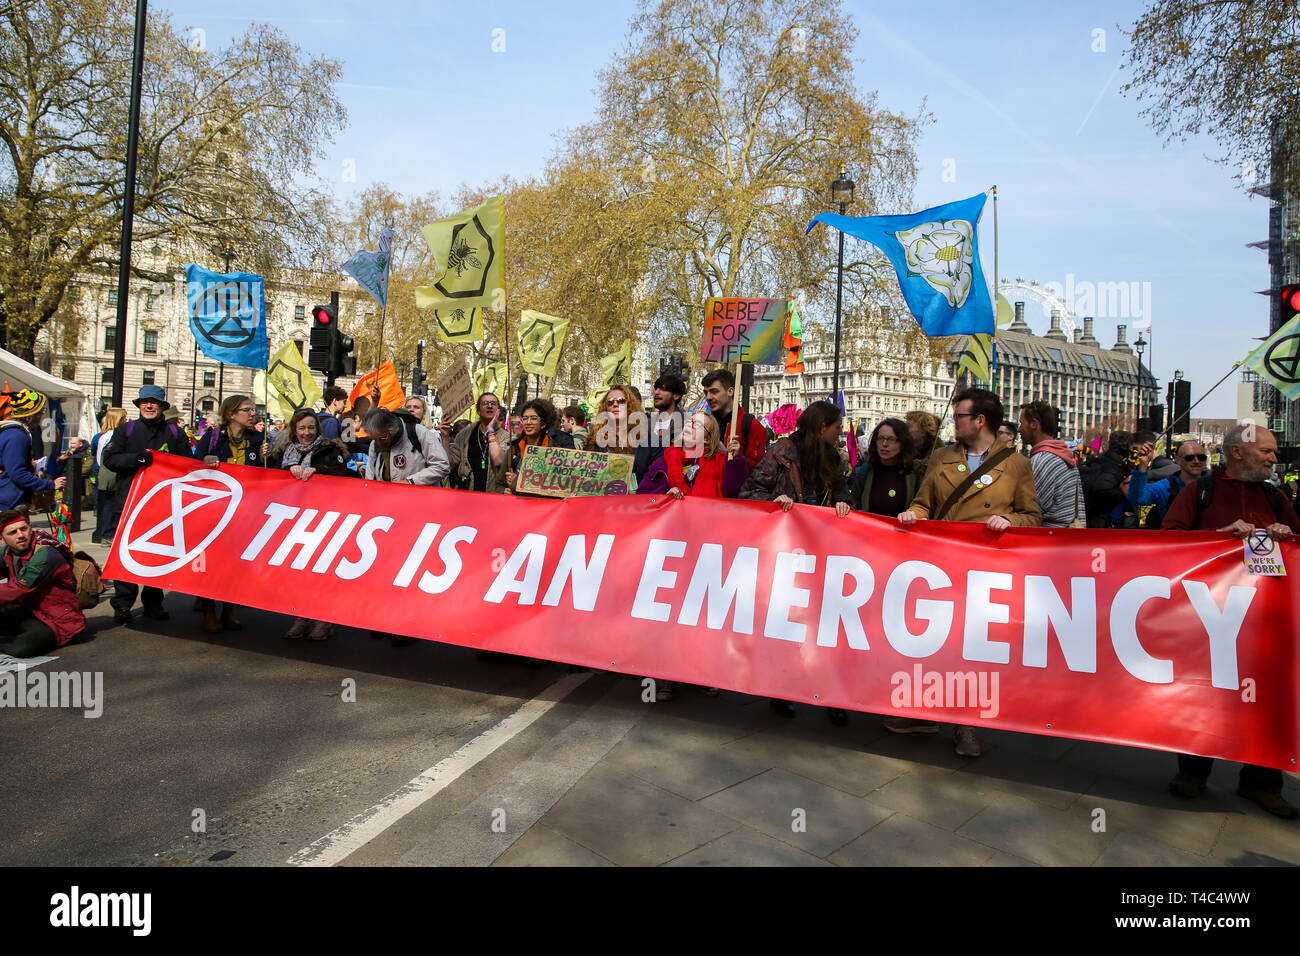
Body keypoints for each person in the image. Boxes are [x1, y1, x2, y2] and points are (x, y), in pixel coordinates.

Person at [1162, 425, 1300, 818]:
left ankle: (1262, 783)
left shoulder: (1275, 495)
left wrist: (1286, 535)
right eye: (1267, 452)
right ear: (1238, 453)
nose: (1275, 459)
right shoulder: (1199, 492)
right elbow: (1168, 541)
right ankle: (1193, 771)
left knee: (1268, 700)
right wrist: (1219, 536)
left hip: (1265, 618)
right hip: (1211, 617)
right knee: (1205, 693)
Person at [895, 387, 1041, 756]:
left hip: (986, 569)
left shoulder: (1016, 464)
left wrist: (1008, 519)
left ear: (980, 421)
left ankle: (968, 725)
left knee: (975, 648)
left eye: (959, 415)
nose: (953, 420)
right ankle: (925, 712)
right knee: (936, 640)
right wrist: (916, 515)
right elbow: (924, 502)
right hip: (942, 565)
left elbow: (1032, 515)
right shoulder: (942, 457)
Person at [739, 400, 853, 721]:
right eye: (836, 426)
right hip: (786, 552)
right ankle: (782, 690)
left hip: (822, 551)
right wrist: (775, 501)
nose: (840, 432)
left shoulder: (834, 459)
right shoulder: (781, 452)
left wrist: (844, 503)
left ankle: (831, 696)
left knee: (825, 627)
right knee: (787, 623)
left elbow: (845, 493)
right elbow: (749, 492)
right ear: (821, 427)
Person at [102, 385, 190, 624]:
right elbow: (109, 459)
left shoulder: (175, 433)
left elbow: (188, 465)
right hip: (128, 502)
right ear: (139, 405)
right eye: (144, 402)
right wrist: (136, 460)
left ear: (162, 406)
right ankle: (122, 605)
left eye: (154, 402)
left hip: (163, 506)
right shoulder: (125, 430)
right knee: (124, 555)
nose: (149, 406)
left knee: (157, 557)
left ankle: (153, 604)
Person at [363, 407, 450, 647]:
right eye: (374, 439)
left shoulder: (419, 434)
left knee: (411, 570)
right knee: (386, 569)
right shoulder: (375, 442)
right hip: (388, 515)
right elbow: (371, 474)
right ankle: (385, 620)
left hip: (420, 513)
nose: (378, 443)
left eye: (382, 439)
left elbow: (442, 466)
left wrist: (410, 482)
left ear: (390, 431)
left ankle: (409, 624)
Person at [271, 410, 353, 641]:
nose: (306, 433)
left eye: (310, 428)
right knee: (297, 572)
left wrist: (319, 471)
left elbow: (344, 475)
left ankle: (323, 620)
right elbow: (270, 481)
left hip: (325, 519)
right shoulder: (283, 453)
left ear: (317, 428)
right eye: (301, 429)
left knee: (321, 572)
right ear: (293, 430)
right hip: (293, 521)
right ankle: (300, 616)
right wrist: (287, 471)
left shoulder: (330, 450)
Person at [0, 510, 85, 657]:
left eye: (23, 529)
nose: (20, 535)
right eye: (12, 532)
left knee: (20, 649)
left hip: (57, 621)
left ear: (30, 528)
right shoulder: (7, 551)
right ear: (2, 538)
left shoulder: (44, 553)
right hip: (29, 610)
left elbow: (19, 589)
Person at [1018, 401, 1085, 529]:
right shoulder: (1064, 455)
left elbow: (1032, 508)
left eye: (1022, 423)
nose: (1019, 429)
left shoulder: (1042, 460)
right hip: (1065, 537)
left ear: (1034, 424)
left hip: (1048, 539)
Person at [0, 389, 64, 512]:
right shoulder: (16, 436)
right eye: (40, 412)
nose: (41, 415)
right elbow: (18, 473)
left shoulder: (13, 433)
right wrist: (50, 484)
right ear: (31, 415)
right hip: (10, 501)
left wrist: (30, 465)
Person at [1126, 439, 1208, 529]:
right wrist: (1143, 465)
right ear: (1178, 460)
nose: (1196, 461)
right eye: (1190, 458)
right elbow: (1138, 498)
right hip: (1175, 539)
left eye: (1201, 457)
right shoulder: (1166, 486)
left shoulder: (1214, 483)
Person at [851, 418, 923, 518]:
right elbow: (853, 506)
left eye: (891, 439)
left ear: (902, 443)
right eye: (880, 438)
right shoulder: (864, 472)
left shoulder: (916, 473)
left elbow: (922, 507)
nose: (884, 444)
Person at [441, 393, 509, 493]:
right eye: (485, 403)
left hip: (492, 496)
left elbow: (499, 460)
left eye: (493, 403)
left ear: (498, 411)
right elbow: (450, 464)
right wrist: (445, 438)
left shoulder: (506, 436)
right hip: (466, 495)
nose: (489, 406)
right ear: (478, 411)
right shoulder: (464, 435)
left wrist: (490, 430)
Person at [507, 399, 576, 494]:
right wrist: (505, 491)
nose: (528, 422)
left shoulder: (555, 450)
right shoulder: (515, 448)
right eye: (525, 418)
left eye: (534, 418)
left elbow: (557, 487)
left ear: (543, 424)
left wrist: (515, 483)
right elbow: (499, 482)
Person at [703, 369, 767, 468]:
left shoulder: (752, 426)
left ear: (730, 391)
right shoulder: (704, 423)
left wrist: (732, 457)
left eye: (714, 391)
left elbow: (758, 470)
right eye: (706, 392)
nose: (708, 397)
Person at [634, 372, 687, 481]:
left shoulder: (687, 425)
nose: (656, 392)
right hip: (645, 487)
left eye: (663, 389)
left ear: (676, 395)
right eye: (656, 388)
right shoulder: (644, 423)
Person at [90, 407, 127, 543]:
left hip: (105, 473)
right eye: (123, 418)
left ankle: (107, 533)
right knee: (110, 506)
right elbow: (103, 457)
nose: (126, 421)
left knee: (108, 505)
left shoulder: (103, 436)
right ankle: (107, 534)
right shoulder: (111, 436)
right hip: (111, 474)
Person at [1081, 430, 1133, 528]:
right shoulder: (1114, 467)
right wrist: (1121, 492)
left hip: (1088, 515)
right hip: (1099, 519)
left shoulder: (1100, 460)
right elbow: (1102, 488)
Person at [584, 385, 644, 458]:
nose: (615, 404)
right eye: (610, 402)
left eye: (621, 401)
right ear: (605, 408)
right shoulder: (594, 439)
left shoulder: (645, 438)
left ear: (629, 405)